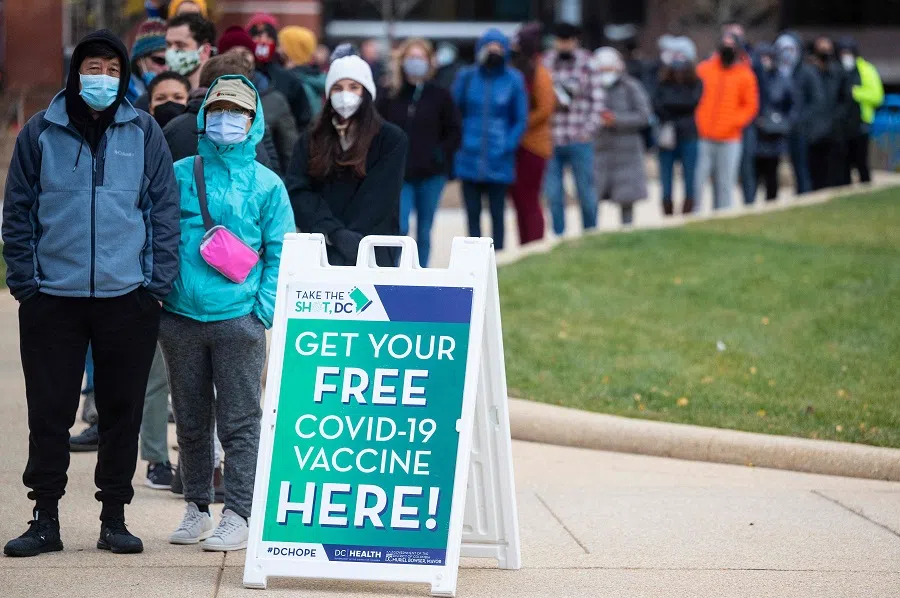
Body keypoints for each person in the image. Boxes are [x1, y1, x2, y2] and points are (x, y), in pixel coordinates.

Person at [2, 30, 180, 557]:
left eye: (110, 69)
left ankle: (114, 517)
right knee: (49, 411)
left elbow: (162, 212)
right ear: (74, 71)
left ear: (124, 75)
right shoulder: (40, 132)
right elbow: (17, 214)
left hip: (128, 299)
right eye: (91, 67)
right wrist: (25, 284)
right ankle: (45, 518)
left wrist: (155, 285)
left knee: (121, 411)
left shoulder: (144, 131)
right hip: (52, 299)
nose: (100, 78)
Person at [160, 74, 294, 551]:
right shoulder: (178, 172)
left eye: (236, 112)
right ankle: (196, 507)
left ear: (253, 121)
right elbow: (157, 234)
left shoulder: (267, 184)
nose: (225, 120)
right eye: (217, 110)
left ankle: (239, 512)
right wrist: (163, 294)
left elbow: (282, 249)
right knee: (192, 419)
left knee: (240, 422)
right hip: (180, 316)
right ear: (203, 116)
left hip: (239, 318)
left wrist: (262, 310)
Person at [287, 55, 408, 268]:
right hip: (322, 250)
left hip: (372, 252)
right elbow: (298, 190)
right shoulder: (311, 138)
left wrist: (351, 240)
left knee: (365, 303)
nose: (345, 95)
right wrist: (333, 231)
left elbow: (380, 196)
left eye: (354, 87)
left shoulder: (390, 139)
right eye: (338, 88)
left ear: (366, 92)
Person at [377, 38, 461, 266]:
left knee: (425, 229)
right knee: (400, 227)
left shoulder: (440, 95)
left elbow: (454, 132)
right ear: (402, 61)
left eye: (420, 58)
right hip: (399, 175)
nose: (416, 63)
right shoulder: (389, 94)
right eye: (411, 58)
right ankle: (395, 272)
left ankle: (422, 273)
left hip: (431, 174)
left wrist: (439, 155)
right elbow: (376, 130)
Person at [453, 29, 528, 251]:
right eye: (489, 47)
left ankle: (498, 260)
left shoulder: (514, 80)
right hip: (469, 155)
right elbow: (454, 113)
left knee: (497, 213)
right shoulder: (466, 77)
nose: (494, 52)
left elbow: (520, 118)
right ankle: (473, 260)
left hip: (500, 157)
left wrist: (508, 145)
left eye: (499, 47)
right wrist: (461, 143)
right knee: (472, 214)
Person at [164, 53, 277, 170]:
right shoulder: (249, 131)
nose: (223, 122)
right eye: (217, 109)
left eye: (236, 110)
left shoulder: (173, 128)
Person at [543, 23, 603, 235]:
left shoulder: (588, 62)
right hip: (553, 138)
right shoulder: (546, 62)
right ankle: (559, 237)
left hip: (580, 138)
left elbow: (597, 102)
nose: (564, 45)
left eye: (567, 40)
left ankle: (591, 234)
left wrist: (588, 130)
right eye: (560, 40)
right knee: (553, 194)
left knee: (586, 192)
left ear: (575, 41)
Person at [218, 26, 299, 174]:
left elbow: (289, 153)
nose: (239, 59)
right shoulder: (212, 99)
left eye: (244, 53)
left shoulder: (275, 100)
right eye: (232, 54)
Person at [695, 32, 759, 211]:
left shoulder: (745, 75)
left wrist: (732, 122)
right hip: (704, 135)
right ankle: (694, 217)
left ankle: (722, 217)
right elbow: (694, 96)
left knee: (725, 183)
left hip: (730, 138)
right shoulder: (704, 70)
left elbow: (750, 106)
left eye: (731, 45)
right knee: (698, 181)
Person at [592, 47, 652, 226]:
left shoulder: (631, 86)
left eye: (609, 69)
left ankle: (628, 232)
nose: (606, 73)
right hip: (600, 151)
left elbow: (644, 116)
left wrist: (616, 120)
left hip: (627, 152)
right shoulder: (590, 88)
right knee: (593, 198)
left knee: (626, 200)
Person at [508, 23, 556, 244]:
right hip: (518, 145)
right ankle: (525, 243)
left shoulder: (540, 72)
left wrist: (520, 124)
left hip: (533, 146)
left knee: (529, 199)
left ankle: (534, 244)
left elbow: (546, 108)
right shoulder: (520, 68)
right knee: (519, 199)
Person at [654, 36, 702, 215]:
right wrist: (677, 106)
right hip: (668, 135)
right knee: (666, 177)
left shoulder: (696, 82)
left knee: (690, 176)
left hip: (689, 135)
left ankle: (688, 210)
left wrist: (673, 105)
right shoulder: (662, 80)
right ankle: (667, 210)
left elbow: (691, 102)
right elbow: (658, 104)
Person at [773, 32, 824, 195]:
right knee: (795, 168)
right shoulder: (781, 73)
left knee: (804, 169)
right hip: (787, 129)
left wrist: (801, 119)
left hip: (804, 131)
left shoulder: (807, 72)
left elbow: (817, 101)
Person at [807, 36, 853, 190]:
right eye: (821, 50)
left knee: (835, 177)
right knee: (816, 177)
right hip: (814, 134)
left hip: (835, 134)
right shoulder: (809, 74)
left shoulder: (839, 73)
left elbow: (845, 100)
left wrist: (836, 120)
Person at [753, 44, 796, 202]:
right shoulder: (752, 78)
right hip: (756, 135)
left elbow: (791, 105)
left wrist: (783, 121)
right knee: (753, 175)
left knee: (772, 174)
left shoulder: (782, 80)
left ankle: (771, 204)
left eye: (769, 57)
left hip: (774, 135)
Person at [838, 37, 883, 184]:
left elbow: (877, 96)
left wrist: (856, 93)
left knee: (861, 162)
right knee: (843, 164)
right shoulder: (837, 69)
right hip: (841, 125)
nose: (845, 56)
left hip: (861, 123)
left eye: (848, 52)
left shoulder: (866, 70)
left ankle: (866, 190)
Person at [278, 26, 328, 131]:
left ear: (292, 49)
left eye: (282, 44)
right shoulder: (310, 77)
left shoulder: (299, 84)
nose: (278, 49)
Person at [165, 13, 215, 92]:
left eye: (180, 45)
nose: (171, 51)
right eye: (168, 45)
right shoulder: (161, 93)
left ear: (205, 51)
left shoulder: (217, 93)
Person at [127, 18, 168, 104]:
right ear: (140, 61)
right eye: (159, 60)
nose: (166, 67)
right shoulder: (122, 95)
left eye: (170, 60)